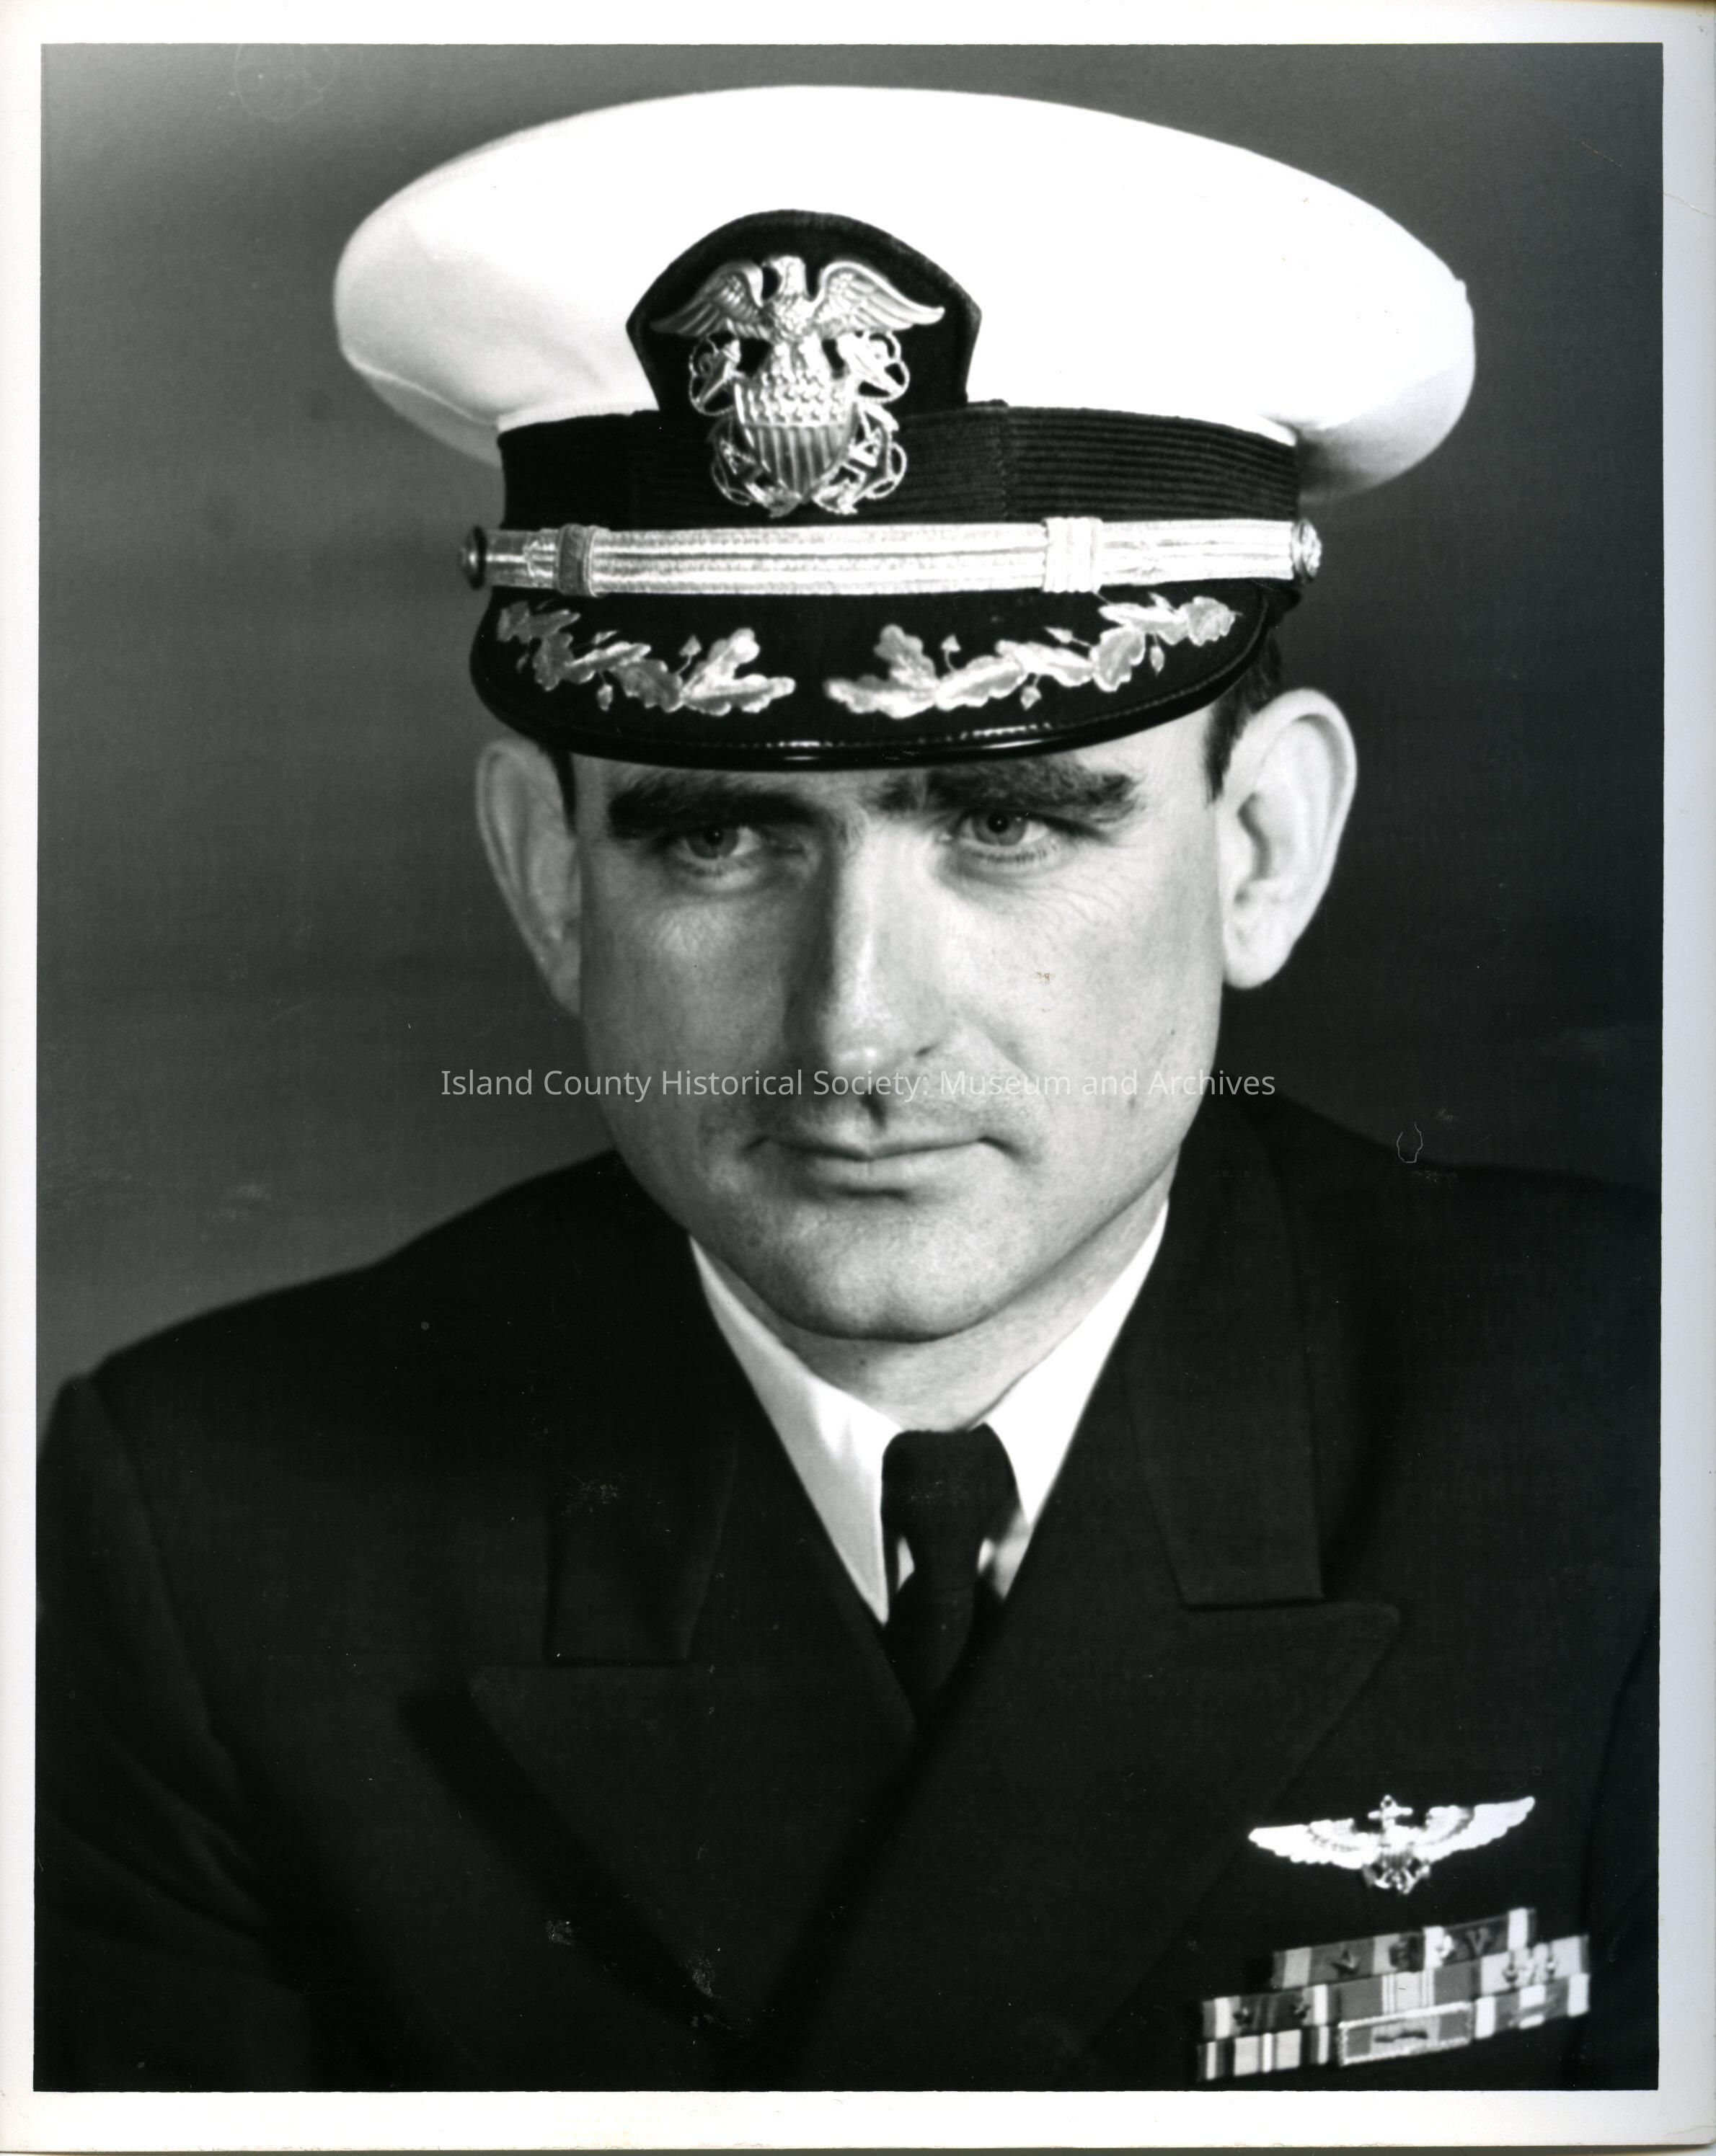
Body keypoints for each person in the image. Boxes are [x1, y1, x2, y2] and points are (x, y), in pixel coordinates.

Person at [35, 86, 1655, 2093]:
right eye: (718, 839)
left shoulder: (1631, 1425)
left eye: (1008, 825)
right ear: (551, 879)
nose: (855, 1035)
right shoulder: (213, 1531)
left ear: (1260, 851)